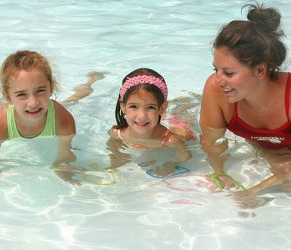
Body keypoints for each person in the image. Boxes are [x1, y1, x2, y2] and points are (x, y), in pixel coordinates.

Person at [200, 3, 291, 202]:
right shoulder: (216, 91)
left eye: (229, 73)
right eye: (216, 69)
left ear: (260, 70)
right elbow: (211, 143)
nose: (218, 80)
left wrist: (257, 189)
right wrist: (220, 173)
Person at [0, 50, 102, 184]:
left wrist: (64, 168)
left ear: (51, 88)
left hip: (50, 111)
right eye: (21, 94)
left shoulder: (62, 119)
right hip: (8, 112)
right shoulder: (2, 124)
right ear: (8, 97)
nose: (33, 103)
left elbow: (65, 155)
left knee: (73, 101)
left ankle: (91, 81)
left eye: (40, 90)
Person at [107, 68, 193, 177]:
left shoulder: (170, 140)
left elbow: (185, 157)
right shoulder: (116, 134)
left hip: (181, 130)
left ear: (162, 108)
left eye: (150, 107)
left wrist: (171, 165)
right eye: (133, 106)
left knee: (182, 118)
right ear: (123, 107)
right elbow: (114, 150)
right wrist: (115, 163)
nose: (142, 116)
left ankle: (186, 102)